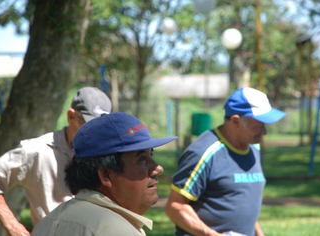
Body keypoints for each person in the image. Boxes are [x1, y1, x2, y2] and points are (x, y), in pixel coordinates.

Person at [31, 112, 177, 236]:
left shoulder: (46, 224)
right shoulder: (117, 230)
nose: (158, 168)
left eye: (150, 155)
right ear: (106, 175)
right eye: (142, 159)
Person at [165, 87, 286, 236]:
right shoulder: (203, 153)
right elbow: (175, 206)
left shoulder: (254, 148)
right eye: (260, 126)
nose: (264, 132)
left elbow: (244, 204)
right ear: (236, 122)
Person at [0, 87, 112, 236]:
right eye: (89, 125)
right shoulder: (37, 150)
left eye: (102, 126)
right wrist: (12, 226)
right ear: (71, 116)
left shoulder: (109, 154)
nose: (96, 133)